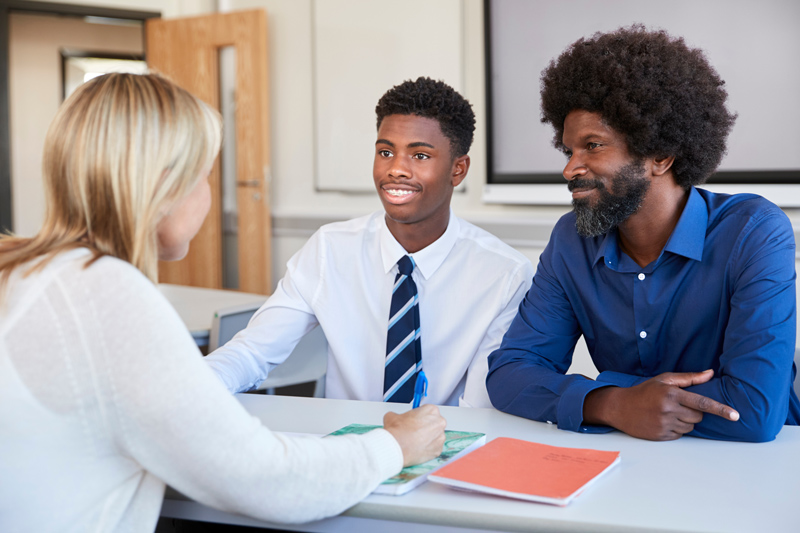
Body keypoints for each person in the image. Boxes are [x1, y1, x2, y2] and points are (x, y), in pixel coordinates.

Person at [0, 73, 447, 532]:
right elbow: (267, 480)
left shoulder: (21, 270)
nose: (208, 195)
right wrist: (393, 446)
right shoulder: (107, 295)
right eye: (206, 174)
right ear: (164, 184)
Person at [486, 25, 800, 442]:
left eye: (593, 146)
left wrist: (608, 396)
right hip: (627, 463)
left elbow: (754, 410)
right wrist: (613, 404)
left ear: (660, 155)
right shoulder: (571, 241)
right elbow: (510, 373)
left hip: (754, 468)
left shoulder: (754, 232)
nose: (569, 169)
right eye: (568, 150)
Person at [205, 77, 533, 407]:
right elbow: (253, 351)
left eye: (419, 156)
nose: (396, 170)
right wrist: (190, 390)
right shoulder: (329, 250)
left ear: (458, 169)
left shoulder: (503, 275)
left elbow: (480, 408)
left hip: (445, 447)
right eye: (386, 152)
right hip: (348, 447)